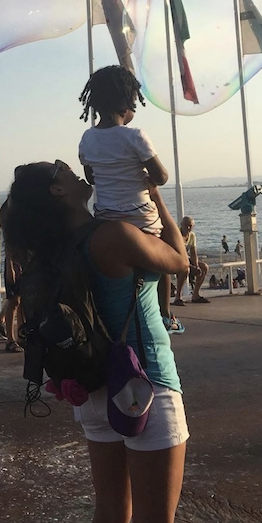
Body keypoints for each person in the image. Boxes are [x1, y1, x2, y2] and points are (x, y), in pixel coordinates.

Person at [2, 159, 189, 523]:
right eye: (60, 169)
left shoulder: (51, 251)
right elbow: (180, 259)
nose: (69, 167)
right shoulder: (114, 236)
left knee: (110, 516)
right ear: (57, 191)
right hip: (145, 385)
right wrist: (155, 195)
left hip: (92, 391)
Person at [77, 66, 179, 335]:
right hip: (142, 218)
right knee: (163, 257)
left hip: (107, 220)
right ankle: (166, 314)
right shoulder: (135, 136)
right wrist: (143, 176)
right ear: (127, 103)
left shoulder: (87, 139)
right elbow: (161, 176)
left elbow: (90, 176)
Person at [0, 201, 25, 352]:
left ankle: (21, 336)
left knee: (22, 301)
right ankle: (11, 340)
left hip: (24, 259)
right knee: (14, 301)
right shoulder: (10, 210)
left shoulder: (23, 210)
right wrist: (10, 267)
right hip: (15, 261)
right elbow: (8, 244)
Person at [172, 216, 210, 305]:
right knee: (185, 269)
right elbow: (179, 254)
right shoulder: (177, 234)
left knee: (204, 267)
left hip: (185, 259)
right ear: (181, 225)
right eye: (186, 225)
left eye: (190, 226)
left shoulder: (192, 235)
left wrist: (196, 266)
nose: (188, 228)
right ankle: (178, 297)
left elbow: (193, 253)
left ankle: (195, 295)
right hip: (175, 258)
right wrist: (191, 266)